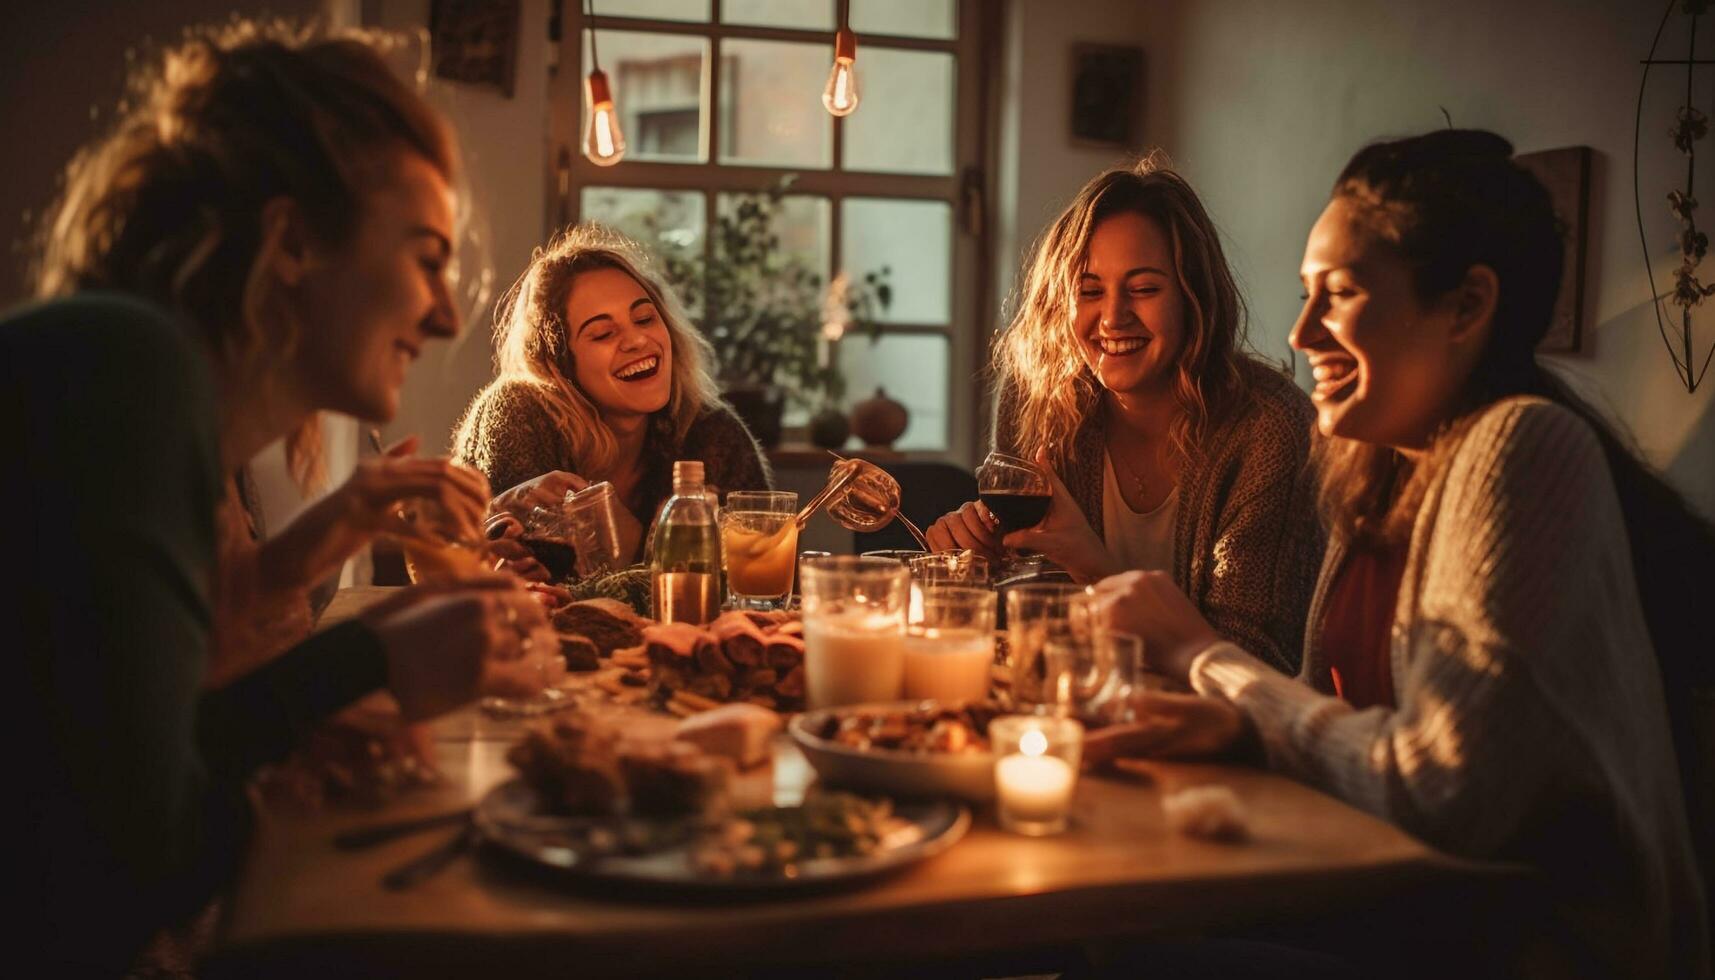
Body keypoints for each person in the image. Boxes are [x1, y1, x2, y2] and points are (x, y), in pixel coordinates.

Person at [2, 22, 557, 974]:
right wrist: (368, 656)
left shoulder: (156, 393)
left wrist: (329, 686)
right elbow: (136, 872)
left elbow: (141, 759)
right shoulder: (127, 373)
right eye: (426, 256)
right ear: (294, 241)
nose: (448, 312)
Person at [1091, 130, 1711, 978]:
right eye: (1305, 295)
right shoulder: (1374, 467)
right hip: (1395, 910)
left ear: (1465, 306)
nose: (1303, 332)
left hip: (1521, 949)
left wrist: (1204, 661)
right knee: (1120, 932)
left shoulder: (1521, 447)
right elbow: (1339, 723)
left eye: (1338, 295)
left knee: (1128, 963)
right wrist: (1235, 729)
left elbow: (1443, 795)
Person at [927, 158, 1323, 673]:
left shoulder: (1270, 431)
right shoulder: (1035, 401)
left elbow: (1255, 667)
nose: (1113, 317)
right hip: (1068, 715)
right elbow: (1025, 623)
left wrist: (1090, 563)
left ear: (1193, 297)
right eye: (1090, 291)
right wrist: (975, 565)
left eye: (1143, 289)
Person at [452, 224, 771, 574]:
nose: (636, 340)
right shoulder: (516, 413)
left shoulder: (712, 432)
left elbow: (759, 572)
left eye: (645, 318)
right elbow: (536, 575)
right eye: (603, 333)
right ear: (560, 363)